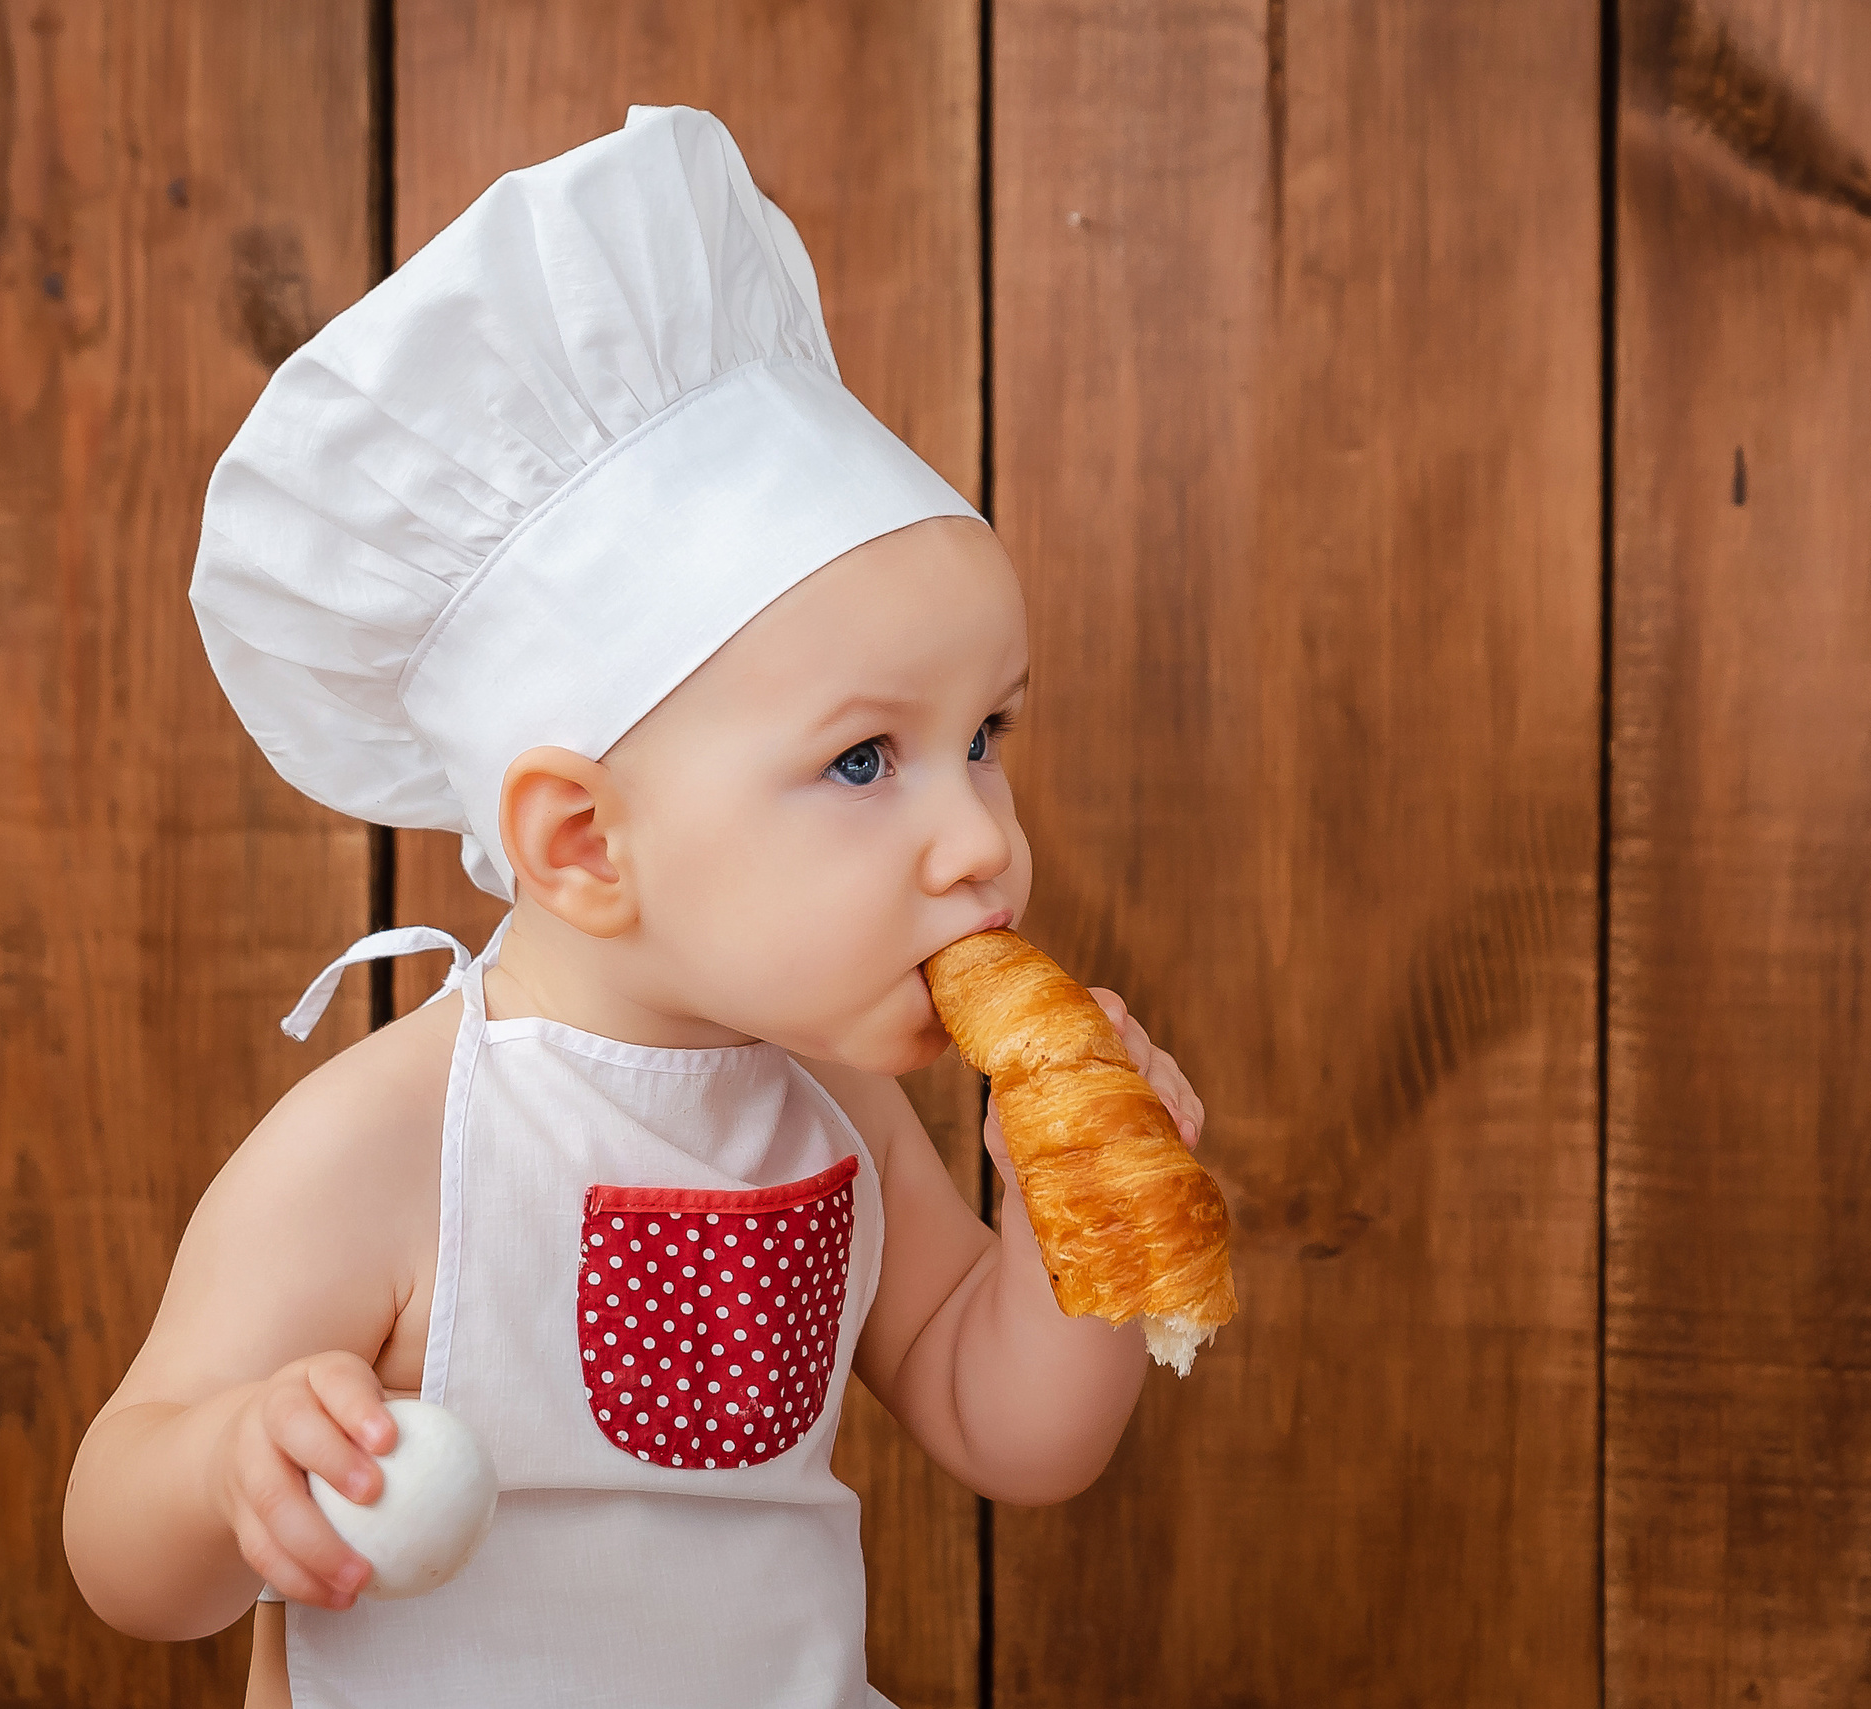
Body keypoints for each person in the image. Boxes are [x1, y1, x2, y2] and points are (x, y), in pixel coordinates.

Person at [61, 105, 1205, 1709]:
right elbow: (120, 1549)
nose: (980, 843)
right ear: (587, 839)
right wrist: (226, 1467)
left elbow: (1003, 1425)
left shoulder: (841, 1107)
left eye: (987, 738)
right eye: (868, 758)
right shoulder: (393, 1141)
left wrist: (1077, 1242)